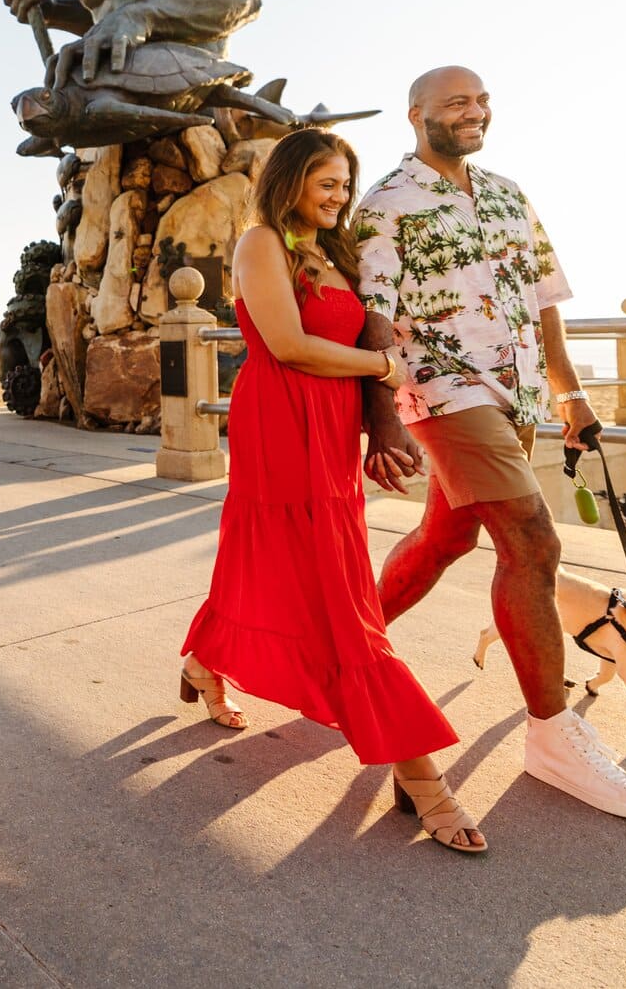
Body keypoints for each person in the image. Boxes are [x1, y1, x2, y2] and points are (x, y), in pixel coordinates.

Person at [353, 65, 626, 822]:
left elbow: (542, 296)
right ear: (416, 116)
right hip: (442, 390)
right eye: (457, 102)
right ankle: (553, 738)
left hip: (519, 389)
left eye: (482, 100)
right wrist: (383, 418)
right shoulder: (386, 206)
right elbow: (373, 316)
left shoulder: (506, 192)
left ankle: (339, 646)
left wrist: (569, 390)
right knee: (533, 542)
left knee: (446, 537)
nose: (476, 111)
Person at [179, 130, 485, 853]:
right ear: (289, 180)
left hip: (330, 433)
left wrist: (379, 394)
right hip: (281, 424)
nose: (338, 194)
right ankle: (423, 782)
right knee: (338, 597)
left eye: (345, 183)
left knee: (281, 567)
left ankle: (202, 659)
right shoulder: (262, 244)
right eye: (325, 180)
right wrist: (381, 368)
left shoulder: (339, 258)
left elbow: (364, 339)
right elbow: (286, 345)